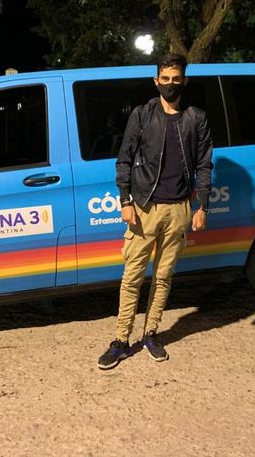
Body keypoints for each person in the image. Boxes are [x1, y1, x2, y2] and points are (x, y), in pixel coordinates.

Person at [97, 53, 213, 370]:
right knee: (132, 277)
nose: (170, 84)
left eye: (176, 79)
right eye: (165, 79)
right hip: (144, 207)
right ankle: (121, 339)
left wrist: (202, 205)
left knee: (163, 277)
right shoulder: (142, 114)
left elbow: (204, 165)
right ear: (156, 81)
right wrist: (125, 201)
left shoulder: (196, 118)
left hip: (179, 209)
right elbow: (124, 159)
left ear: (184, 81)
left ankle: (151, 333)